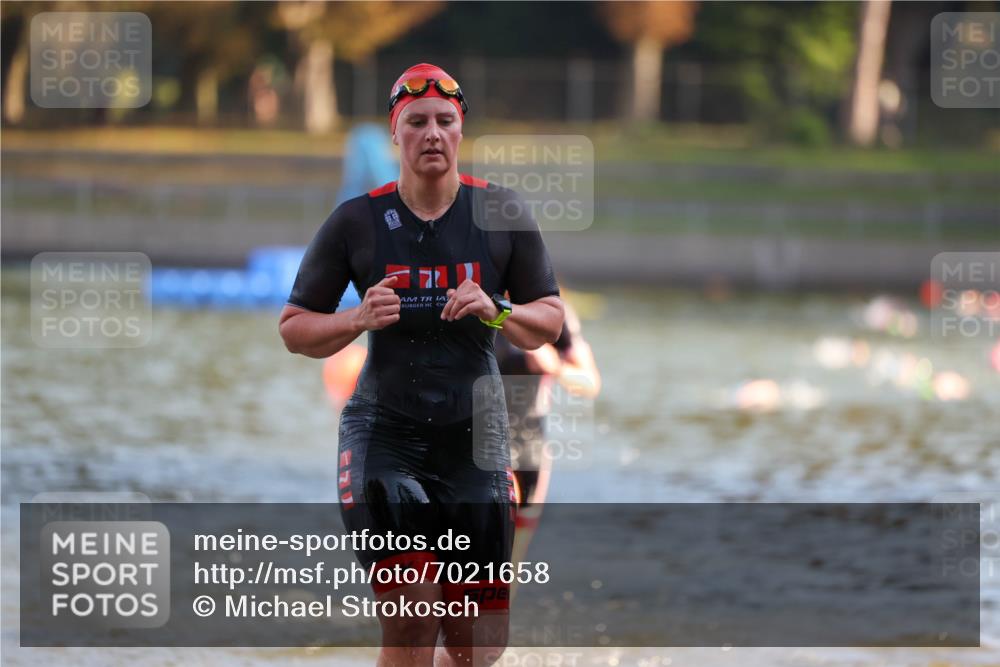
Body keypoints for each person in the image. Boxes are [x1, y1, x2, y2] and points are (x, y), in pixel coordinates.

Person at [278, 63, 564, 667]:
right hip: (386, 437)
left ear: (460, 131)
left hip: (476, 444)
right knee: (413, 616)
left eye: (444, 121)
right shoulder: (356, 222)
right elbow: (295, 328)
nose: (431, 133)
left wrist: (497, 308)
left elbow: (550, 321)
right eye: (416, 122)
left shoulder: (501, 212)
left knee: (478, 647)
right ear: (395, 133)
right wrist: (355, 319)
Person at [495, 300, 601, 567]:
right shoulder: (469, 301)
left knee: (512, 563)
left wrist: (556, 367)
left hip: (530, 446)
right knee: (484, 548)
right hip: (477, 443)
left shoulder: (552, 312)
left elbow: (590, 383)